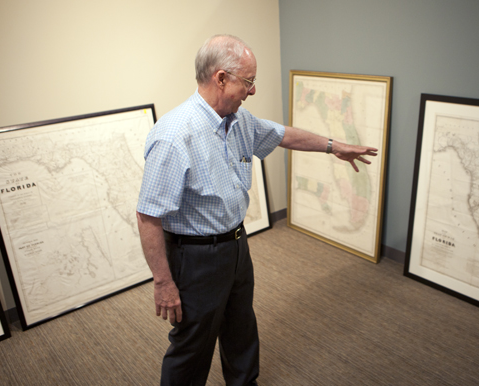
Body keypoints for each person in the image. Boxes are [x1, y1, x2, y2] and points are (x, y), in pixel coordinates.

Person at [136, 34, 378, 386]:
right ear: (220, 78)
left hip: (236, 245)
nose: (252, 91)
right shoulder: (174, 136)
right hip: (196, 259)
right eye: (247, 82)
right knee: (192, 346)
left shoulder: (239, 121)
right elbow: (148, 215)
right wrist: (163, 282)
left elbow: (283, 135)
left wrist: (333, 146)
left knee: (240, 327)